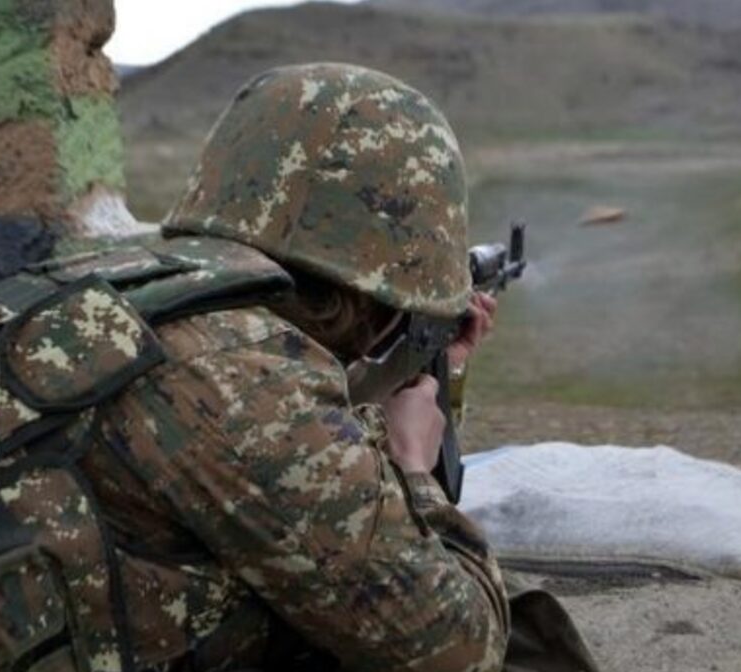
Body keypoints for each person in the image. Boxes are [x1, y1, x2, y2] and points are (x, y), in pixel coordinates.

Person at [81, 63, 510, 671]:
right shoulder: (251, 387)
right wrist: (414, 465)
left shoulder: (140, 295)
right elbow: (461, 648)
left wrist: (445, 368)